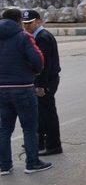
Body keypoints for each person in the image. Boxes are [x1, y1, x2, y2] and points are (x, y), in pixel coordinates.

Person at [0, 9, 52, 175]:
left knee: (4, 129)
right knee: (29, 128)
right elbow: (38, 61)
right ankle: (32, 163)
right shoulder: (24, 37)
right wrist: (32, 72)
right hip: (23, 87)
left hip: (1, 89)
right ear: (18, 20)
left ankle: (4, 166)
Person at [22, 10, 62, 156]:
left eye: (29, 23)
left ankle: (54, 145)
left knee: (48, 114)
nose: (26, 26)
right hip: (44, 81)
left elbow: (44, 66)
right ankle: (39, 142)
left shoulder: (43, 37)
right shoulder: (36, 36)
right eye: (24, 23)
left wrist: (41, 86)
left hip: (46, 82)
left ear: (38, 21)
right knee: (41, 113)